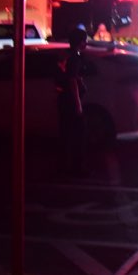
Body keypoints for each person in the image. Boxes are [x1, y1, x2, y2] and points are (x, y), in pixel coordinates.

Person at [57, 25, 90, 175]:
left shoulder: (66, 55)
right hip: (70, 102)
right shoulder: (75, 58)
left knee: (66, 135)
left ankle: (65, 166)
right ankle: (78, 168)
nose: (86, 43)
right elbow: (72, 81)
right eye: (85, 40)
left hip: (64, 100)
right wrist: (78, 104)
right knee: (79, 136)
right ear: (80, 42)